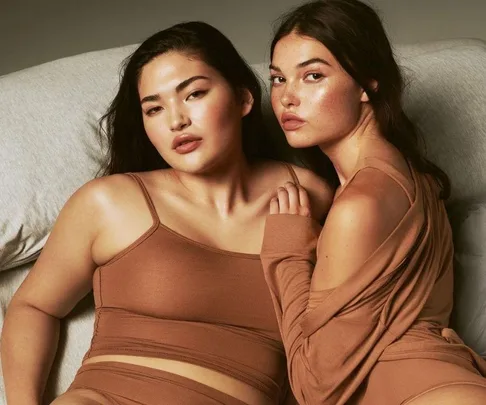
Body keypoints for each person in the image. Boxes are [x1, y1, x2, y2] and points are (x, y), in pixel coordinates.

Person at [1, 21, 333, 405]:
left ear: (243, 98)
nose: (176, 121)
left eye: (193, 94)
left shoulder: (310, 198)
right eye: (154, 108)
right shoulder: (109, 203)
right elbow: (33, 306)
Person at [259, 1, 486, 404]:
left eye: (313, 76)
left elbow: (315, 386)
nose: (287, 98)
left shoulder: (359, 205)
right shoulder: (414, 177)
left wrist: (287, 254)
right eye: (278, 79)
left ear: (368, 83)